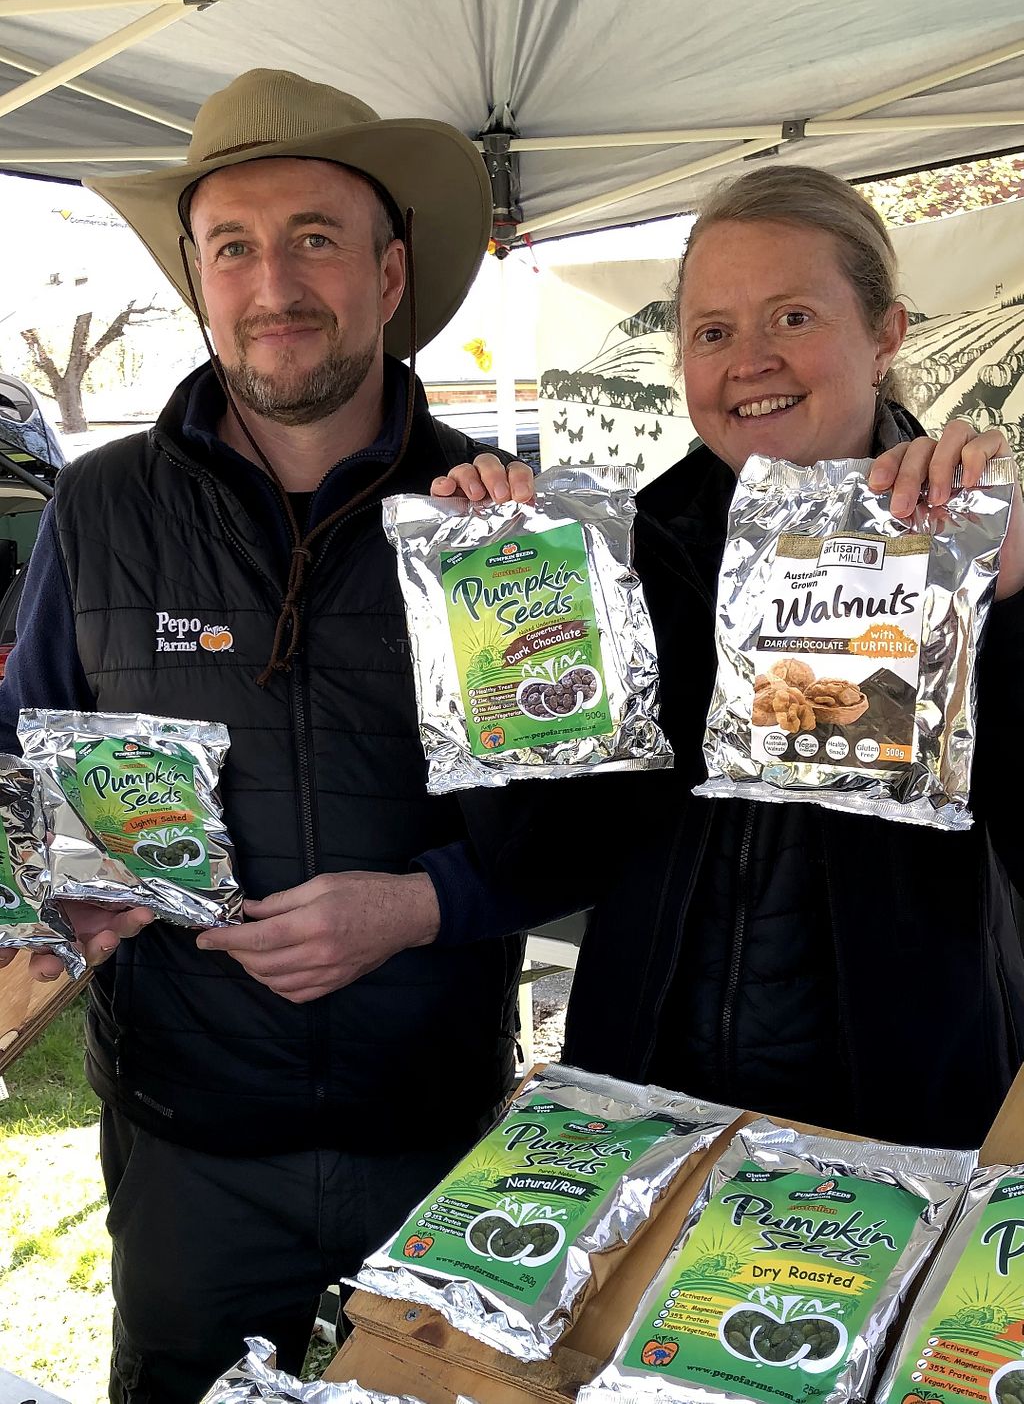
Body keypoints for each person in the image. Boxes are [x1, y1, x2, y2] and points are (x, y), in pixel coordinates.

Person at [0, 69, 529, 1403]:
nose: (273, 283)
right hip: (189, 1146)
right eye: (232, 246)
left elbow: (572, 830)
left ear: (389, 274)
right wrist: (50, 892)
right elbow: (19, 775)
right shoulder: (99, 506)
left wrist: (420, 906)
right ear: (197, 278)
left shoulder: (490, 520)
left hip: (436, 1136)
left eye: (313, 238)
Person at [434, 165, 1024, 1151]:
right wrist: (495, 623)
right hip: (647, 1122)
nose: (749, 360)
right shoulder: (632, 554)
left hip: (897, 1137)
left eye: (792, 316)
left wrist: (1012, 602)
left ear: (884, 335)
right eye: (712, 332)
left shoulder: (974, 553)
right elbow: (538, 857)